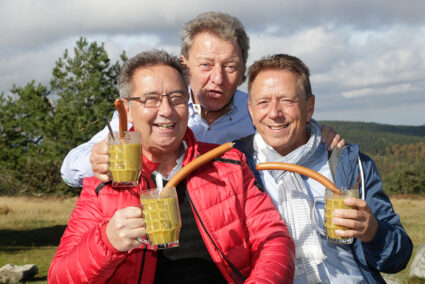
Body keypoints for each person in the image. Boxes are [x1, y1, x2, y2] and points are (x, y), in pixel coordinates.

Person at [48, 50, 295, 283]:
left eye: (176, 98)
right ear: (127, 110)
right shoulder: (104, 181)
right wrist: (108, 241)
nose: (166, 111)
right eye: (150, 99)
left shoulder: (228, 164)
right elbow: (59, 277)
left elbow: (273, 240)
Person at [60, 11, 344, 187]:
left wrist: (322, 136)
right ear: (185, 66)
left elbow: (296, 129)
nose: (218, 79)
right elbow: (69, 167)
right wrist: (97, 160)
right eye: (206, 65)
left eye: (230, 67)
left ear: (243, 70)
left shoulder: (260, 113)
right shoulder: (153, 112)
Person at [234, 54, 413, 283]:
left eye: (287, 100)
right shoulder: (235, 168)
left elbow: (398, 258)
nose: (274, 113)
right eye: (263, 102)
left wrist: (374, 233)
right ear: (250, 110)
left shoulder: (348, 165)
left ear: (310, 107)